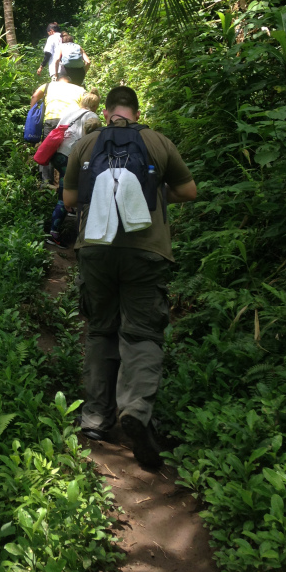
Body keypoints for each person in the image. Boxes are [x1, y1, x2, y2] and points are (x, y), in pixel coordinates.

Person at [62, 86, 197, 467]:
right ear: (137, 111)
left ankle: (94, 417)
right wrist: (150, 194)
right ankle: (136, 409)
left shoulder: (86, 147)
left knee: (102, 328)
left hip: (95, 250)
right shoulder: (157, 142)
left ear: (106, 112)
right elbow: (189, 190)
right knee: (141, 331)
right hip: (146, 250)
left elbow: (70, 201)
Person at [46, 90, 101, 247]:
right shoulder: (93, 117)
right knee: (67, 194)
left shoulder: (71, 112)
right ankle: (54, 233)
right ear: (95, 105)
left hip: (57, 154)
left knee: (66, 189)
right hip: (70, 157)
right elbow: (91, 141)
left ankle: (66, 213)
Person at [30, 67, 85, 186]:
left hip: (52, 119)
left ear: (58, 79)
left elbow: (35, 96)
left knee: (47, 150)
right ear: (70, 81)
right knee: (69, 151)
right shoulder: (79, 89)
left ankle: (45, 182)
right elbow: (86, 105)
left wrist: (32, 113)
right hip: (71, 121)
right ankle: (67, 182)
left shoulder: (49, 85)